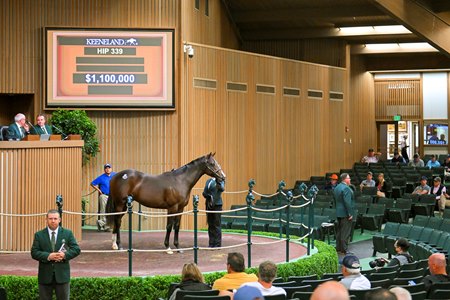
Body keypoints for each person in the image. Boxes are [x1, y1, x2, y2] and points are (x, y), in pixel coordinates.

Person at [31, 209, 80, 300]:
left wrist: (64, 256)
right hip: (45, 276)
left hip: (62, 276)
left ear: (59, 220)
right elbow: (34, 252)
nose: (53, 221)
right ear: (46, 219)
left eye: (55, 218)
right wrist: (48, 256)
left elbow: (76, 249)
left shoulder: (67, 233)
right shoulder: (39, 235)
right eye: (50, 218)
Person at [91, 163, 117, 231]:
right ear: (104, 169)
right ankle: (105, 225)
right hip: (104, 195)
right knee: (104, 210)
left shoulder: (115, 175)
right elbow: (92, 183)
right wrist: (99, 190)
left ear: (111, 169)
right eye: (106, 168)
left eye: (109, 168)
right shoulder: (101, 177)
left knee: (112, 210)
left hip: (113, 196)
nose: (107, 169)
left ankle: (102, 223)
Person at [334, 173, 355, 255]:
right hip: (345, 213)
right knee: (345, 232)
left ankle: (338, 248)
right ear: (345, 179)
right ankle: (344, 249)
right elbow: (347, 202)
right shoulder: (346, 188)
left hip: (338, 212)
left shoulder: (337, 187)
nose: (350, 180)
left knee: (339, 231)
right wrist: (350, 213)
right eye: (349, 178)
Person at [202, 177, 225, 248]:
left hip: (217, 205)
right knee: (210, 224)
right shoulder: (209, 180)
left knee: (216, 224)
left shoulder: (220, 180)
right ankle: (211, 243)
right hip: (209, 204)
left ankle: (217, 244)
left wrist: (219, 184)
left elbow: (222, 189)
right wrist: (207, 195)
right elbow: (205, 191)